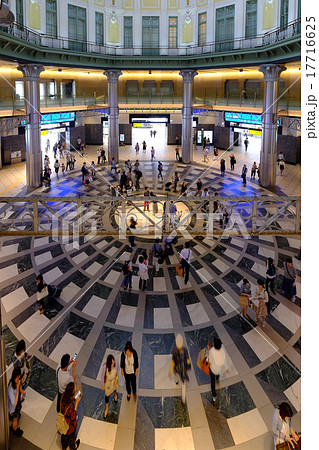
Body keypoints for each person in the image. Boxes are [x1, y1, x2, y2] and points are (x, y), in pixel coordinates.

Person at [169, 334, 191, 404]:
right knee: (184, 382)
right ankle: (183, 399)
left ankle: (176, 381)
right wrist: (189, 365)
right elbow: (187, 359)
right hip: (183, 367)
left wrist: (170, 371)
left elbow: (173, 361)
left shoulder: (174, 350)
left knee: (176, 373)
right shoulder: (185, 349)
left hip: (176, 367)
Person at [60, 382, 81, 450]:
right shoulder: (71, 406)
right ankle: (73, 447)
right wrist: (76, 404)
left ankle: (64, 446)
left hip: (62, 423)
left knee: (63, 435)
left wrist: (73, 397)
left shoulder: (63, 395)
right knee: (71, 438)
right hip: (69, 426)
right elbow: (73, 417)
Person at [208, 337, 229, 402]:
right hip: (219, 368)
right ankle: (217, 379)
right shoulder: (222, 351)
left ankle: (214, 396)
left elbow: (210, 361)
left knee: (212, 382)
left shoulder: (212, 350)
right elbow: (225, 360)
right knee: (217, 373)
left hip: (213, 369)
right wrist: (226, 368)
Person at [8, 368, 24, 437]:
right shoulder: (11, 387)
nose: (18, 379)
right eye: (17, 377)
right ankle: (15, 430)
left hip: (17, 404)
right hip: (14, 407)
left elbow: (19, 386)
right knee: (15, 418)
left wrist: (22, 390)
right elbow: (14, 402)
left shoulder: (16, 382)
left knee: (17, 416)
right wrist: (18, 389)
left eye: (19, 377)